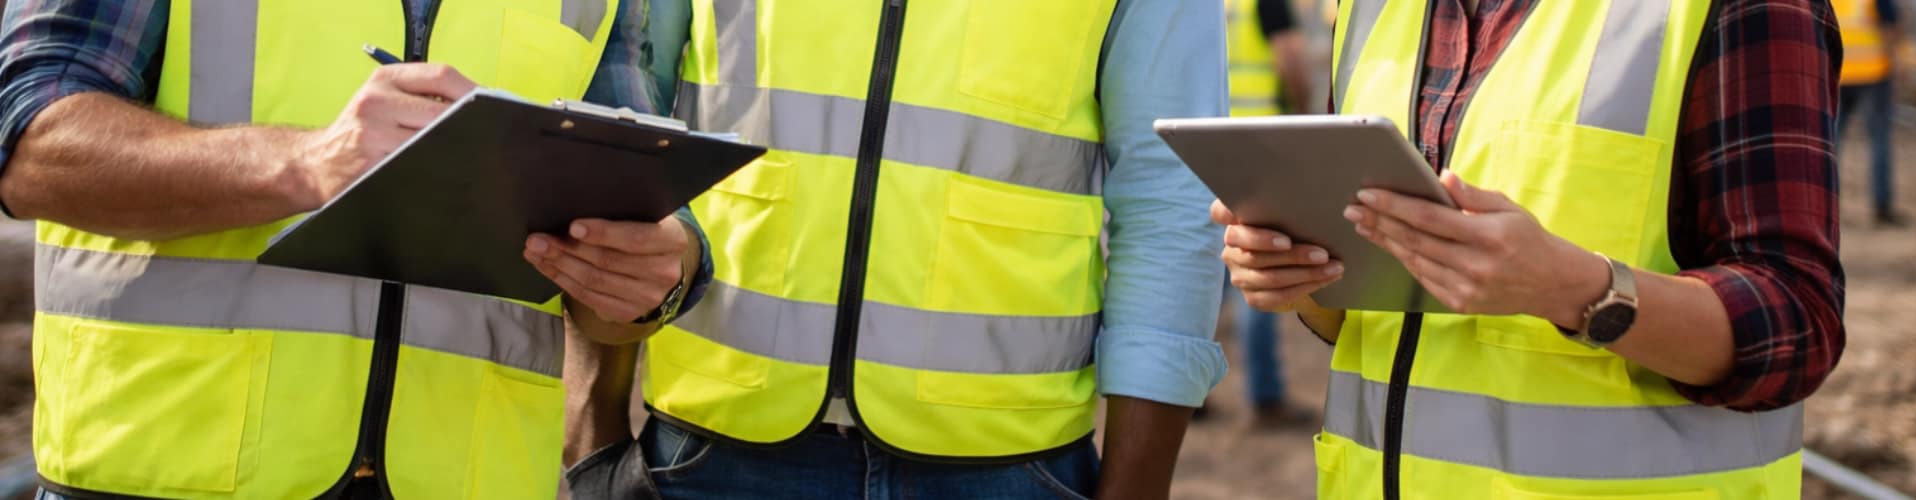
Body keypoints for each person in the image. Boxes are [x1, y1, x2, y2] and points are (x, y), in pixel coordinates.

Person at [0, 0, 709, 498]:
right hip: (160, 469)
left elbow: (632, 207)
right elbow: (32, 145)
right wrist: (302, 163)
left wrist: (656, 275)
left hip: (468, 480)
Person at [562, 0, 1229, 498]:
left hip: (1012, 462)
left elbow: (1172, 197)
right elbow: (621, 114)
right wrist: (592, 430)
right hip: (708, 452)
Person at [1219, 0, 1844, 497]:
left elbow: (1798, 322)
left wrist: (1574, 290)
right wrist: (1302, 275)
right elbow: (1370, 318)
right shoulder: (1370, 10)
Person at [1218, 0, 1317, 430]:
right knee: (1261, 268)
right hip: (1258, 144)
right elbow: (1291, 56)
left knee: (1211, 270)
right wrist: (1300, 110)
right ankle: (1266, 396)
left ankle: (1189, 395)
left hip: (1208, 141)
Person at [1837, 0, 1905, 227]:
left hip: (1838, 73)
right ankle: (1882, 206)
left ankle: (1827, 207)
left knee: (1829, 145)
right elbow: (1890, 26)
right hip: (1874, 72)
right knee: (1879, 141)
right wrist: (1897, 64)